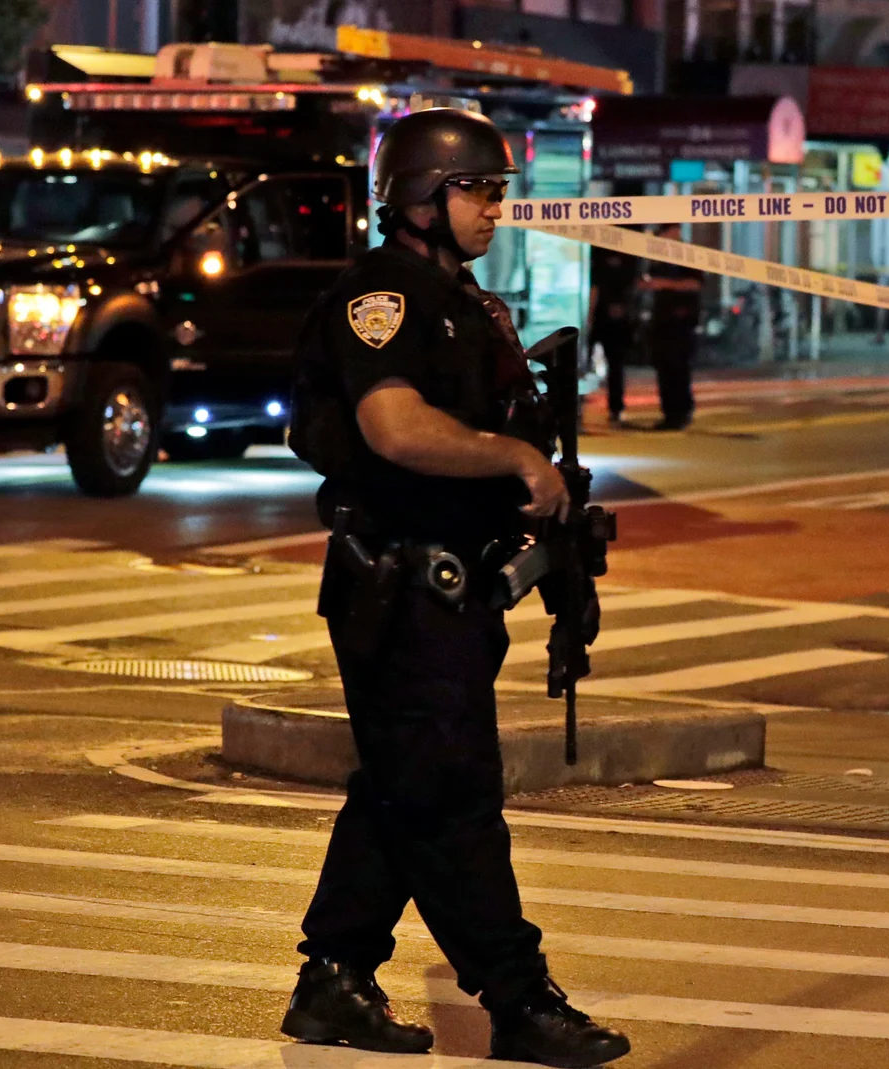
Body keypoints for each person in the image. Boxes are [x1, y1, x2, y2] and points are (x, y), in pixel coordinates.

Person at [282, 107, 631, 1068]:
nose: (494, 207)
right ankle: (518, 1000)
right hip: (398, 586)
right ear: (421, 198)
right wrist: (515, 455)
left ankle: (334, 981)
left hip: (453, 592)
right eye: (477, 189)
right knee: (452, 794)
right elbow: (394, 428)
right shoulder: (381, 298)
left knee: (401, 786)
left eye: (498, 189)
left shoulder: (469, 303)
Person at [638, 222, 703, 430]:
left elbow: (695, 284)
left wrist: (663, 284)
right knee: (664, 367)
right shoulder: (659, 258)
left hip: (681, 322)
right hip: (662, 321)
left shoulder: (688, 255)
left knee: (679, 367)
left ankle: (681, 412)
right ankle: (670, 413)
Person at [588, 239, 640, 427]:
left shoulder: (622, 253)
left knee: (614, 364)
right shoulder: (599, 251)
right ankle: (613, 409)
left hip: (610, 318)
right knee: (608, 364)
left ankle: (615, 408)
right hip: (602, 315)